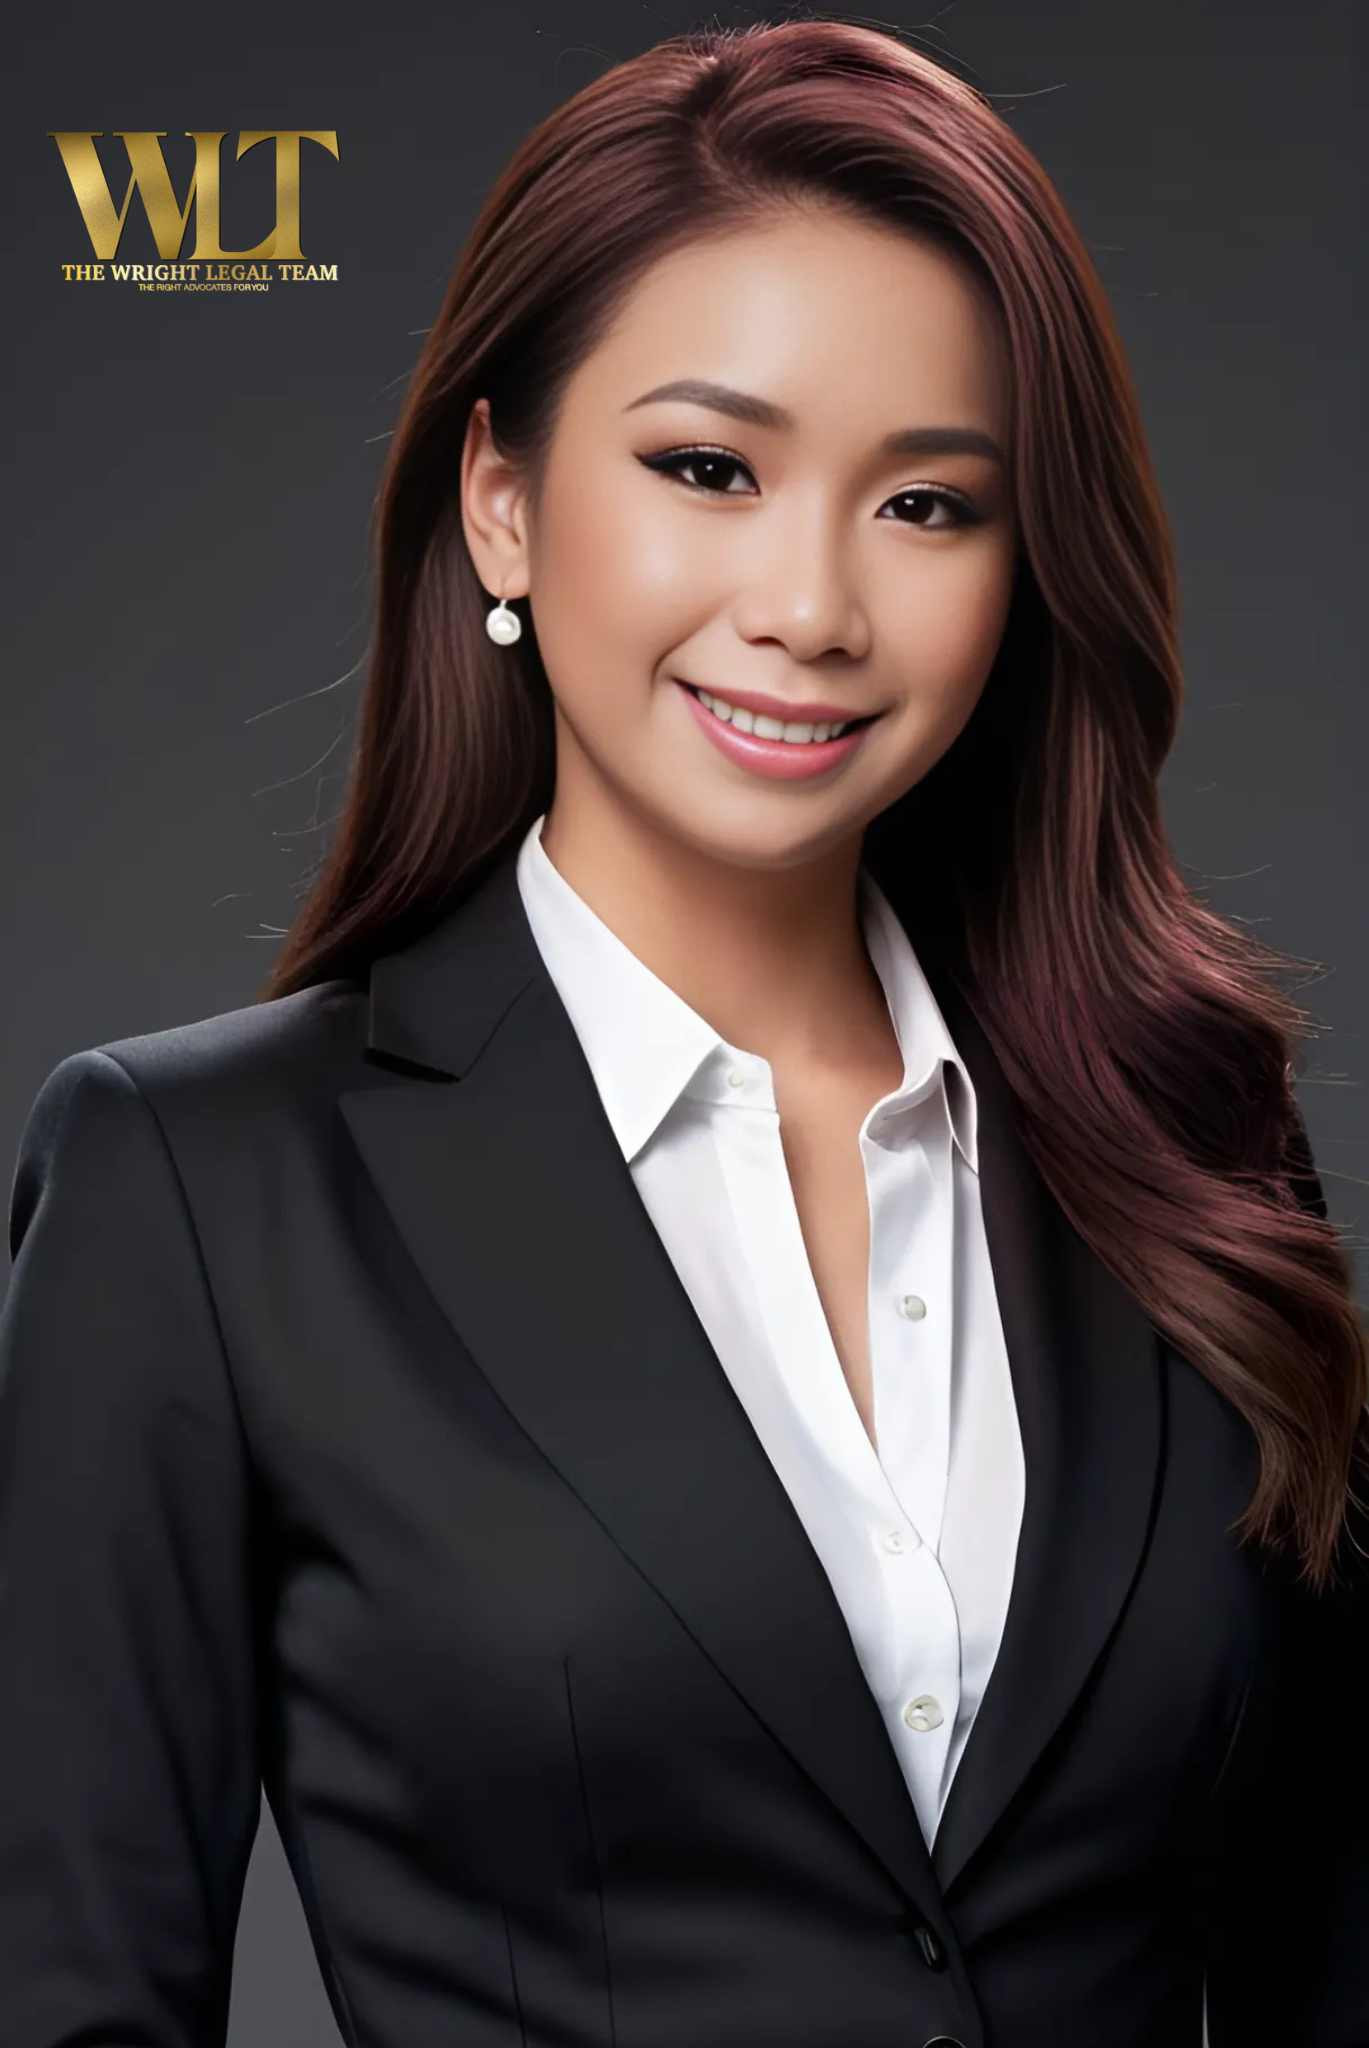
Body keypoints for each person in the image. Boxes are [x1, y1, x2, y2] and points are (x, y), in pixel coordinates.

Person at [1, 19, 1364, 2048]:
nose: (812, 605)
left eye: (929, 503)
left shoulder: (1189, 1134)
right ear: (501, 500)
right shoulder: (201, 1194)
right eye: (709, 469)